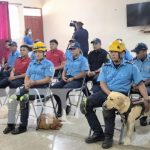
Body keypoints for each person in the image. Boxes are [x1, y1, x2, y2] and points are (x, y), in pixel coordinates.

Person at [81, 40, 149, 149]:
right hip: (106, 92)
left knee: (107, 109)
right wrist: (109, 94)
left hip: (121, 95)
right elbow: (102, 83)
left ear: (122, 53)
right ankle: (98, 133)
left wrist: (146, 99)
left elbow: (140, 84)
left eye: (115, 52)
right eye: (111, 51)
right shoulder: (106, 66)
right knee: (85, 104)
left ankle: (108, 137)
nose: (112, 54)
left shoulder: (131, 67)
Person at [3, 41, 55, 135]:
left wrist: (34, 82)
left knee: (24, 99)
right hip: (30, 86)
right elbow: (27, 75)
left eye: (40, 52)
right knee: (12, 99)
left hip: (42, 88)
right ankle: (11, 125)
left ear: (44, 52)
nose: (37, 54)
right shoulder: (32, 63)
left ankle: (23, 126)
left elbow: (48, 79)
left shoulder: (48, 64)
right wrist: (26, 83)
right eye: (36, 52)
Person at [52, 42, 89, 117]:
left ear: (78, 49)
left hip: (78, 80)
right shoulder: (69, 59)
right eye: (70, 49)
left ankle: (61, 110)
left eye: (73, 49)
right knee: (54, 88)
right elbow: (65, 70)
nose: (71, 51)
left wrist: (73, 78)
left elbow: (84, 73)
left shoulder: (83, 60)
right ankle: (64, 106)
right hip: (67, 78)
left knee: (64, 89)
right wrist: (63, 76)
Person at [131, 43, 150, 126]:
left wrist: (141, 85)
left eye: (138, 52)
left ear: (144, 51)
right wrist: (132, 84)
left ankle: (144, 116)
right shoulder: (133, 61)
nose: (136, 54)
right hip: (135, 85)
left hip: (147, 84)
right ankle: (128, 113)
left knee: (146, 94)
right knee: (126, 93)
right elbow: (129, 75)